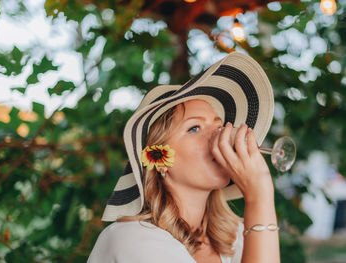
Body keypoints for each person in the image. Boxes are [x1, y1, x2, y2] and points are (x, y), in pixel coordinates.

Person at [87, 52, 280, 263]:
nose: (219, 136)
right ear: (158, 157)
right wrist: (258, 198)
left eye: (219, 126)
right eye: (194, 128)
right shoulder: (132, 238)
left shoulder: (237, 238)